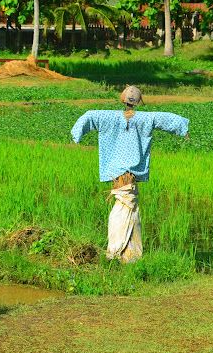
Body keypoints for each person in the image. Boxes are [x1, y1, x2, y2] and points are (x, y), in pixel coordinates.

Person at [70, 86, 189, 263]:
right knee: (127, 208)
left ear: (122, 99)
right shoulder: (145, 119)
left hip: (118, 173)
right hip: (130, 175)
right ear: (138, 102)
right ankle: (120, 252)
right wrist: (183, 129)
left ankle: (123, 253)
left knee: (124, 207)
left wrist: (76, 135)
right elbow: (166, 118)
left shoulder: (106, 117)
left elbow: (88, 116)